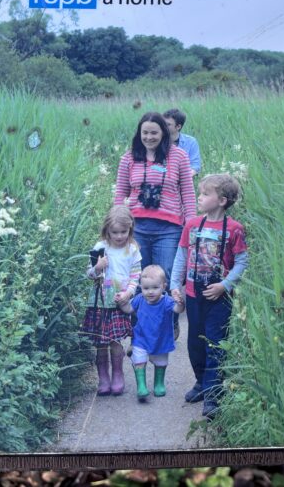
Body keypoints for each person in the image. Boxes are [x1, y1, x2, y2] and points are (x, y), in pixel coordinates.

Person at [171, 173, 248, 418]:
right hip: (194, 295)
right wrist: (175, 285)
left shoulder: (234, 229)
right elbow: (182, 256)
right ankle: (201, 381)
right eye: (200, 192)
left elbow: (241, 262)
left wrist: (225, 285)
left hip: (219, 298)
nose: (199, 197)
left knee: (215, 342)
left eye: (205, 193)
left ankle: (213, 393)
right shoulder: (192, 225)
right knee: (195, 342)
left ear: (222, 200)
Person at [114, 111, 196, 302]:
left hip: (169, 229)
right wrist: (115, 224)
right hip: (137, 228)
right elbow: (120, 194)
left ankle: (168, 324)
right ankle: (140, 326)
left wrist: (191, 225)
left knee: (164, 278)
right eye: (145, 133)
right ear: (139, 133)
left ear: (163, 134)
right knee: (138, 278)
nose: (149, 137)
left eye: (154, 133)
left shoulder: (179, 156)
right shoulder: (129, 158)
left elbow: (188, 193)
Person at [81, 205, 141, 396]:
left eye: (124, 232)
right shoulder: (100, 247)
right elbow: (89, 274)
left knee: (115, 341)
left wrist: (128, 294)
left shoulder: (132, 249)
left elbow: (135, 276)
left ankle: (117, 374)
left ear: (130, 229)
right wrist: (98, 267)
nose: (119, 236)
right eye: (114, 232)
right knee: (100, 343)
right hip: (100, 302)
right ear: (107, 230)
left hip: (118, 302)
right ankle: (103, 378)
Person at [118, 265, 185, 401]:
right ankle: (141, 386)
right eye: (146, 288)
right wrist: (121, 302)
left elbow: (178, 310)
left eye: (155, 287)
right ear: (141, 288)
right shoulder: (139, 299)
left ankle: (159, 383)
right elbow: (129, 309)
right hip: (141, 338)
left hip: (161, 339)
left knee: (160, 361)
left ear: (164, 287)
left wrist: (180, 303)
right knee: (139, 359)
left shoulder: (166, 301)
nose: (150, 292)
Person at [163, 108, 202, 176]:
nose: (163, 127)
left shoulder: (191, 142)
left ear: (178, 126)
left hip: (184, 180)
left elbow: (195, 167)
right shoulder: (156, 141)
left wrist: (181, 177)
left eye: (168, 124)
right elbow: (152, 165)